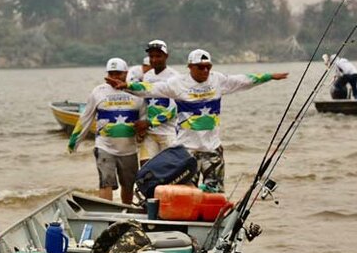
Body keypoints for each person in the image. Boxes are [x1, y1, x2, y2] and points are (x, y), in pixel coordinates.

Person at [108, 49, 289, 193]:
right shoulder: (177, 83)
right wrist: (128, 86)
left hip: (212, 150)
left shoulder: (217, 80)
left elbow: (245, 80)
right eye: (200, 67)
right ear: (190, 67)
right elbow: (150, 89)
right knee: (186, 193)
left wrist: (269, 76)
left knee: (215, 193)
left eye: (207, 67)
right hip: (187, 152)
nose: (205, 71)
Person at [68, 58, 147, 204]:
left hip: (129, 150)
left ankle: (126, 212)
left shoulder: (137, 92)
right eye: (111, 74)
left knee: (128, 184)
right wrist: (74, 141)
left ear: (126, 73)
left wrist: (142, 135)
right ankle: (107, 213)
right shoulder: (98, 92)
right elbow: (85, 118)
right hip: (104, 147)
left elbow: (144, 119)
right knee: (106, 181)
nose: (115, 77)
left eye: (118, 73)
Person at [139, 39, 179, 165]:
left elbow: (175, 108)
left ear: (166, 56)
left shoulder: (175, 77)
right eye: (151, 56)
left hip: (169, 133)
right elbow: (144, 103)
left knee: (170, 170)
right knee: (146, 169)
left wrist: (150, 122)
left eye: (158, 56)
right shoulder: (147, 76)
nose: (154, 60)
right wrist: (141, 125)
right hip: (150, 133)